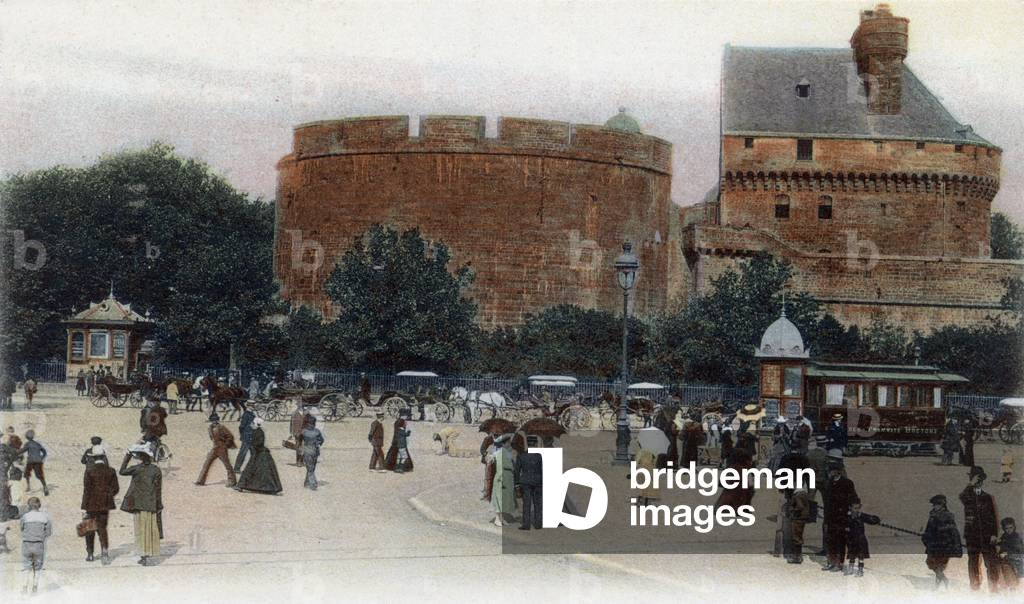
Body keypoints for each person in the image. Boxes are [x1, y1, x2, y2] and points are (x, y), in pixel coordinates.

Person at [119, 445, 162, 566]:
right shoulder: (156, 470)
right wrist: (159, 505)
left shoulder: (136, 469)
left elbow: (122, 471)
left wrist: (127, 456)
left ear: (141, 458)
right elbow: (158, 489)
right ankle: (148, 554)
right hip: (151, 504)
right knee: (150, 529)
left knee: (140, 530)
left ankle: (143, 555)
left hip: (138, 504)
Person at [961, 466, 1000, 591]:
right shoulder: (967, 496)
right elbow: (962, 497)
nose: (978, 482)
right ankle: (975, 587)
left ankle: (993, 588)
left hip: (988, 536)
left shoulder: (988, 497)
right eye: (976, 479)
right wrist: (971, 483)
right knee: (973, 562)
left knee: (991, 562)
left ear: (983, 481)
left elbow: (994, 517)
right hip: (972, 536)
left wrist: (994, 534)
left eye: (980, 480)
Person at [81, 455, 119, 564]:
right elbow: (116, 488)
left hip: (91, 504)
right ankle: (105, 552)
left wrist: (84, 506)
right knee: (102, 528)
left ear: (93, 459)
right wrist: (108, 496)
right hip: (105, 504)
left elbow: (86, 489)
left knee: (89, 528)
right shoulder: (111, 471)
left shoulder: (89, 471)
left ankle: (90, 554)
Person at [922, 494, 963, 589]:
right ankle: (943, 579)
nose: (935, 506)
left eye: (937, 504)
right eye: (934, 505)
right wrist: (926, 537)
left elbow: (953, 531)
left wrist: (953, 544)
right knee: (930, 562)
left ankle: (939, 584)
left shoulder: (948, 516)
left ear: (942, 505)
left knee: (939, 564)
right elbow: (928, 529)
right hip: (933, 545)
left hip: (944, 545)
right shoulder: (932, 515)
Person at [822, 464, 858, 572]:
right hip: (829, 515)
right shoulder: (828, 483)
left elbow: (853, 497)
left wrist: (853, 511)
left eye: (833, 470)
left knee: (840, 541)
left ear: (839, 471)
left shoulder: (847, 483)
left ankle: (839, 563)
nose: (831, 472)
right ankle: (830, 562)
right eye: (830, 470)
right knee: (829, 540)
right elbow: (827, 500)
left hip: (841, 516)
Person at [235, 417, 282, 495]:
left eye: (252, 424)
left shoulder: (258, 432)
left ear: (256, 424)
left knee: (250, 469)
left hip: (258, 453)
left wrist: (252, 446)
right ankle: (267, 488)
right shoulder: (257, 431)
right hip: (259, 453)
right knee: (261, 472)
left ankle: (241, 486)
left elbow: (259, 443)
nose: (251, 425)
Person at [20, 497, 51, 594]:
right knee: (37, 567)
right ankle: (35, 588)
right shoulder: (45, 517)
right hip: (39, 545)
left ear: (29, 506)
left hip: (26, 544)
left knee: (27, 566)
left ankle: (25, 588)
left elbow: (22, 528)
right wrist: (40, 536)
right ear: (39, 505)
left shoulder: (25, 517)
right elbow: (48, 532)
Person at [195, 413, 237, 487]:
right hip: (215, 448)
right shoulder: (210, 428)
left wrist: (225, 445)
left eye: (215, 420)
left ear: (218, 420)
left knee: (227, 465)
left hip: (221, 449)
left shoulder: (221, 427)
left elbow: (230, 436)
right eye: (213, 420)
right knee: (207, 463)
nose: (214, 421)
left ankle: (232, 481)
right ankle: (200, 481)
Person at [514, 435, 544, 530]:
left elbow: (517, 471)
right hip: (538, 481)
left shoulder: (521, 456)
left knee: (526, 504)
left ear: (527, 444)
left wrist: (517, 484)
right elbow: (543, 470)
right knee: (538, 504)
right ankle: (538, 524)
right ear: (535, 444)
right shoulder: (539, 456)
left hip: (525, 481)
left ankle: (526, 525)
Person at [844, 499, 880, 576]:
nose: (856, 510)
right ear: (850, 507)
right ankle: (851, 569)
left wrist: (874, 519)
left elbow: (872, 520)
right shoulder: (847, 516)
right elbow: (844, 524)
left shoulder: (861, 516)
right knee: (852, 556)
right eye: (855, 508)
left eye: (858, 508)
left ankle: (860, 571)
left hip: (860, 539)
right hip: (851, 540)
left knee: (861, 556)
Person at [490, 433, 517, 526]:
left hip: (508, 478)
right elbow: (500, 467)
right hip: (501, 478)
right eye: (508, 442)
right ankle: (497, 519)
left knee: (504, 499)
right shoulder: (500, 453)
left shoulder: (507, 452)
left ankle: (501, 518)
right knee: (499, 498)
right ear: (505, 443)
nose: (510, 443)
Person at [19, 429, 49, 496]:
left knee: (27, 473)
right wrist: (42, 458)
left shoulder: (28, 444)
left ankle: (28, 486)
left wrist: (15, 452)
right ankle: (45, 486)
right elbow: (44, 452)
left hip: (31, 461)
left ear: (27, 437)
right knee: (40, 475)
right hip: (39, 461)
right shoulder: (37, 444)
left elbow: (22, 451)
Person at [786, 486, 811, 564]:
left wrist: (792, 510)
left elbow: (800, 506)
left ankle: (796, 557)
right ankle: (798, 556)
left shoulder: (797, 495)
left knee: (796, 537)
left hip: (798, 518)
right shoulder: (804, 494)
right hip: (803, 518)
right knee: (799, 536)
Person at [998, 517, 1023, 589]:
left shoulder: (1016, 537)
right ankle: (1005, 585)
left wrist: (1007, 553)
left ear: (1014, 527)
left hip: (1016, 559)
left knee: (1006, 566)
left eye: (1011, 527)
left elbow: (1019, 551)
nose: (1009, 530)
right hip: (1006, 558)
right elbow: (1002, 546)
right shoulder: (1004, 537)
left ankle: (1012, 585)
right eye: (1006, 528)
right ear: (1004, 529)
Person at [301, 419, 325, 490]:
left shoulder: (304, 432)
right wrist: (318, 443)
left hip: (307, 451)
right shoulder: (317, 431)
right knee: (311, 468)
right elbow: (322, 440)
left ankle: (313, 483)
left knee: (309, 468)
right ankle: (306, 483)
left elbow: (299, 440)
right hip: (315, 451)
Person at [233, 404, 256, 473]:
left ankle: (253, 469)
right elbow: (241, 427)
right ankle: (237, 468)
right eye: (252, 406)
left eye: (253, 406)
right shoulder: (246, 415)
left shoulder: (251, 414)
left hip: (251, 436)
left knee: (254, 453)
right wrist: (243, 435)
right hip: (247, 437)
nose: (253, 407)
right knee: (243, 453)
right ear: (249, 407)